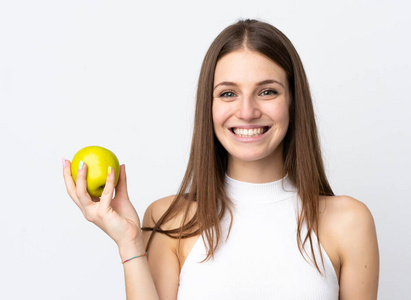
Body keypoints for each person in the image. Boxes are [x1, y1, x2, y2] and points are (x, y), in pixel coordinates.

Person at [63, 19, 379, 300]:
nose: (247, 111)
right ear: (209, 106)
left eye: (267, 91)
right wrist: (130, 243)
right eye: (228, 93)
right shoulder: (169, 220)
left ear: (294, 102)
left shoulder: (349, 221)